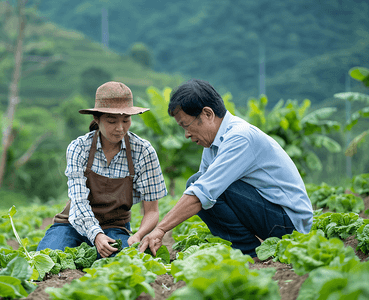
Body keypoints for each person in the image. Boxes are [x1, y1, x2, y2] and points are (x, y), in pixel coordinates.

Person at [139, 79, 313, 258]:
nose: (187, 135)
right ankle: (246, 250)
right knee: (199, 181)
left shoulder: (240, 137)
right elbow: (201, 187)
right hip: (273, 217)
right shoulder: (212, 145)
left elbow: (203, 191)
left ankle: (247, 252)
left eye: (186, 125)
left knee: (204, 186)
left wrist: (160, 229)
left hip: (292, 225)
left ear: (207, 113)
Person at [37, 81, 168, 258]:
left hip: (115, 226)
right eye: (112, 121)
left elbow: (152, 211)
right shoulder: (79, 148)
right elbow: (78, 202)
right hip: (73, 224)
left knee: (123, 261)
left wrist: (138, 235)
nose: (120, 128)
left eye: (126, 120)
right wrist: (96, 235)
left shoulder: (143, 151)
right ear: (96, 119)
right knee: (48, 258)